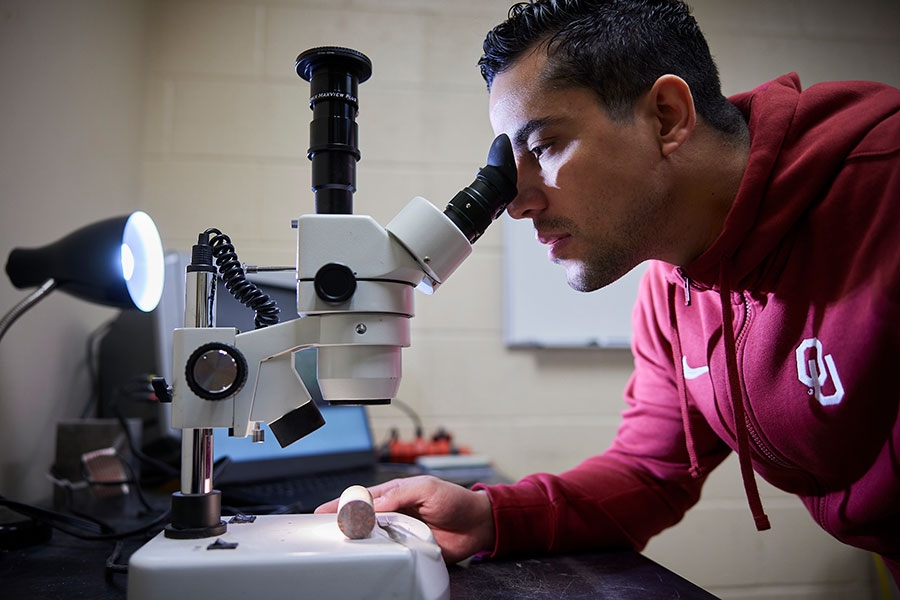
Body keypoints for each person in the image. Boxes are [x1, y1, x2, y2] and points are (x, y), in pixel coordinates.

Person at [316, 0, 900, 583]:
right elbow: (651, 471)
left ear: (667, 117)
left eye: (542, 147)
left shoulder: (884, 191)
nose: (517, 203)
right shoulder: (673, 290)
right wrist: (490, 514)